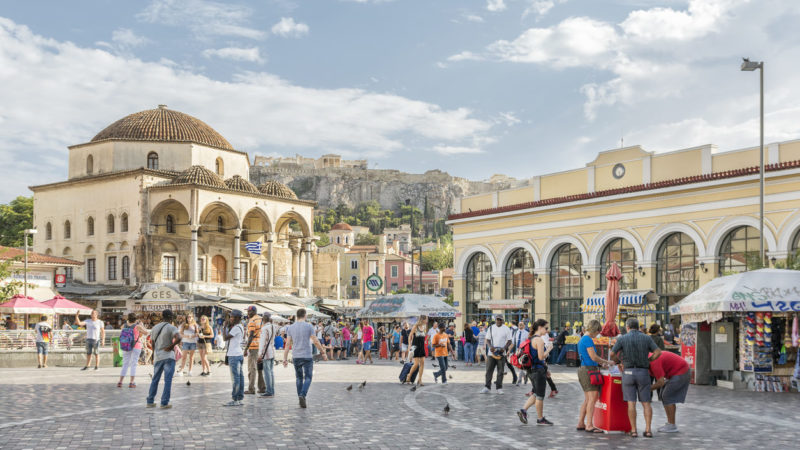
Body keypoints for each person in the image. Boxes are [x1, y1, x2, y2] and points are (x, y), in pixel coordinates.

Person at [610, 318, 662, 438]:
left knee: (631, 404)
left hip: (628, 372)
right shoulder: (646, 338)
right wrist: (648, 360)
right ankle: (648, 430)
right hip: (643, 372)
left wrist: (620, 362)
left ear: (627, 327)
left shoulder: (622, 338)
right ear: (638, 327)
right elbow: (658, 352)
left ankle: (633, 430)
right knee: (646, 403)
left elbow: (612, 354)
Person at [282, 308, 328, 408]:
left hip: (296, 356)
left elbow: (287, 344)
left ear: (296, 316)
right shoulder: (309, 326)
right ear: (305, 315)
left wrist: (285, 358)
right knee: (308, 377)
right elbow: (315, 341)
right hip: (307, 355)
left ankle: (300, 398)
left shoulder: (290, 328)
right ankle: (303, 395)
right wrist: (322, 352)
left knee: (298, 378)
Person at [517, 319, 553, 426]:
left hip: (531, 370)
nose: (547, 331)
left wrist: (546, 369)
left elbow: (537, 358)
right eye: (546, 328)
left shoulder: (531, 338)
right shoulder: (539, 340)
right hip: (538, 371)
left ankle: (523, 410)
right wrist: (549, 349)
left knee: (536, 393)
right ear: (540, 327)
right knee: (540, 396)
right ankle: (540, 418)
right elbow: (541, 356)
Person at [577, 319, 611, 433]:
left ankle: (581, 423)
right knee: (592, 398)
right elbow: (593, 357)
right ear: (594, 329)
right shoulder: (588, 339)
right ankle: (589, 425)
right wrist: (606, 362)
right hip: (589, 370)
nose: (598, 334)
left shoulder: (582, 339)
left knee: (587, 399)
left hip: (583, 369)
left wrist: (601, 363)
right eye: (597, 332)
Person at [146, 309, 182, 409]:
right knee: (168, 380)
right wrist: (171, 347)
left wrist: (153, 356)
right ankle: (164, 403)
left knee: (155, 379)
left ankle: (150, 401)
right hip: (168, 356)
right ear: (171, 317)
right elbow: (179, 338)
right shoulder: (171, 327)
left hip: (158, 356)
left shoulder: (154, 328)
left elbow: (152, 343)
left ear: (162, 316)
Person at [649, 350, 690, 433]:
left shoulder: (654, 362)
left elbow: (660, 382)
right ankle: (670, 424)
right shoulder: (648, 358)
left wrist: (646, 390)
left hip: (681, 371)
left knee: (667, 396)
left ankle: (672, 425)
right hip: (676, 371)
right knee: (664, 396)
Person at [480, 316, 512, 395]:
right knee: (489, 370)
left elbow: (509, 340)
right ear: (495, 320)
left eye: (500, 320)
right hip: (491, 354)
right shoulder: (491, 328)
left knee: (500, 371)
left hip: (501, 353)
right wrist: (490, 347)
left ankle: (499, 388)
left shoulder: (506, 329)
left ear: (502, 321)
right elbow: (487, 339)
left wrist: (504, 348)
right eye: (497, 319)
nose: (498, 321)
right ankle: (487, 387)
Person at [118, 313, 149, 388]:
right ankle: (131, 382)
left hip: (126, 345)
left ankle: (120, 382)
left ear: (128, 318)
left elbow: (121, 330)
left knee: (125, 364)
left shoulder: (124, 325)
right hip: (136, 346)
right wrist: (140, 325)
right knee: (133, 364)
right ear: (136, 319)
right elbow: (147, 332)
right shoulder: (137, 326)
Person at [223, 310, 246, 406]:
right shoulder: (240, 327)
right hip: (238, 354)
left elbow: (225, 338)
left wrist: (224, 327)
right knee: (240, 377)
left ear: (237, 318)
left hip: (234, 355)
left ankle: (235, 398)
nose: (230, 319)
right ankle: (239, 398)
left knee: (236, 378)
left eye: (232, 317)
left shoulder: (236, 328)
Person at [244, 306, 266, 394]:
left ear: (253, 311)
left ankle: (251, 389)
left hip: (253, 347)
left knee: (252, 368)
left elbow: (251, 335)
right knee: (260, 368)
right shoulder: (262, 319)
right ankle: (262, 388)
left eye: (249, 311)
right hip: (261, 347)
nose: (247, 313)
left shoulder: (252, 321)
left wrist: (246, 348)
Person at [257, 312, 278, 398]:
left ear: (263, 319)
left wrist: (259, 355)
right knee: (271, 372)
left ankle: (269, 391)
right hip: (272, 351)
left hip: (266, 353)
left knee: (267, 373)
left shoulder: (264, 328)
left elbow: (262, 343)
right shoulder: (273, 326)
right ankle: (272, 390)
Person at [406, 315, 428, 387]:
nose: (427, 321)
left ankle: (420, 379)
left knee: (422, 363)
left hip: (422, 347)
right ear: (422, 320)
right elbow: (410, 336)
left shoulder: (424, 327)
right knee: (416, 364)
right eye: (426, 320)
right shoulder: (415, 326)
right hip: (415, 346)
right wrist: (409, 345)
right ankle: (409, 375)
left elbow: (424, 336)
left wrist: (426, 341)